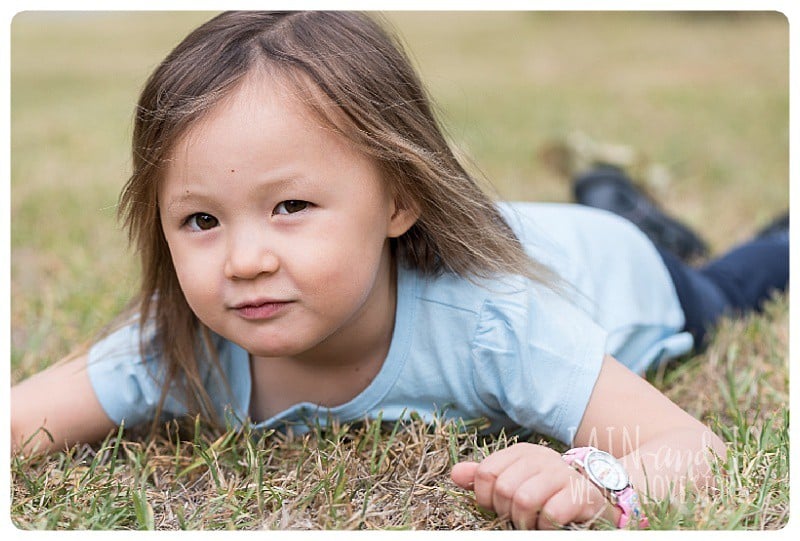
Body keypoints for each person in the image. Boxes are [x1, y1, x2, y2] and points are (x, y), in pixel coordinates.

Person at [10, 11, 787, 530]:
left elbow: (696, 450)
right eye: (202, 220)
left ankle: (665, 219)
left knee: (734, 279)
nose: (246, 260)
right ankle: (621, 192)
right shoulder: (175, 348)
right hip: (529, 232)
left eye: (290, 206)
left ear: (399, 201)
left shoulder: (494, 323)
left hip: (617, 268)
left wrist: (593, 479)